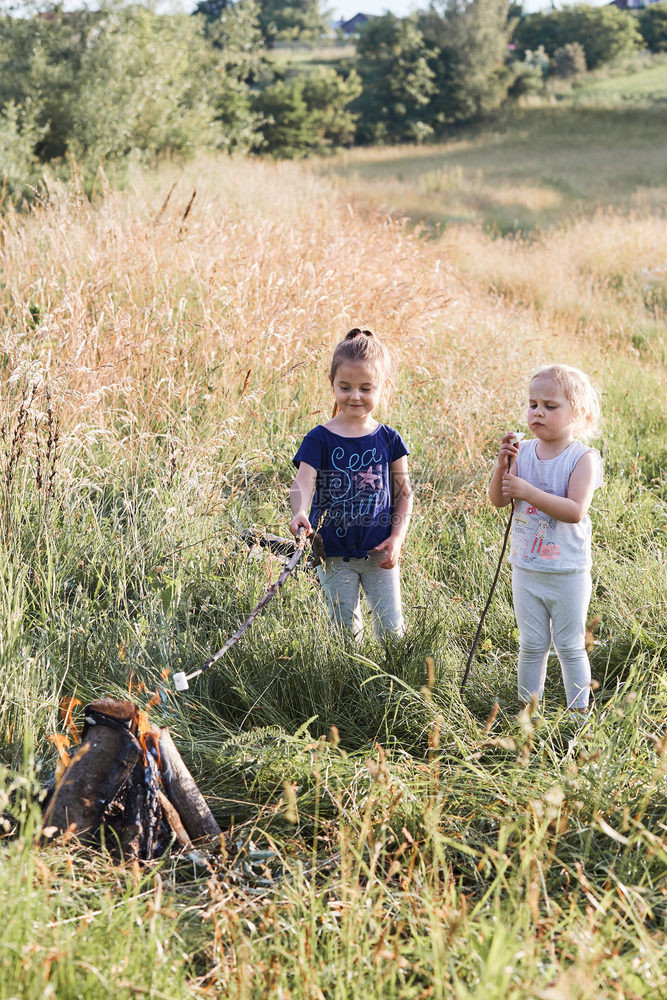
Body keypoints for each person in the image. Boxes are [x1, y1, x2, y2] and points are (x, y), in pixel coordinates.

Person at [488, 364, 603, 713]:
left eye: (550, 406)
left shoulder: (583, 458)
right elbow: (499, 499)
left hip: (567, 571)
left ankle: (579, 713)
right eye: (533, 403)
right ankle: (528, 711)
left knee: (569, 644)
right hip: (526, 568)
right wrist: (502, 466)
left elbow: (574, 510)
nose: (538, 412)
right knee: (532, 643)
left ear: (579, 414)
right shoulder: (523, 452)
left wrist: (528, 490)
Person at [289, 328, 412, 639]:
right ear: (332, 384)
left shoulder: (389, 439)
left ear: (383, 388)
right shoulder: (320, 438)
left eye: (366, 388)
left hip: (379, 552)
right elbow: (303, 481)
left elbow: (403, 494)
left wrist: (396, 538)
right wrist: (299, 511)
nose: (355, 396)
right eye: (345, 387)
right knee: (344, 632)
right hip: (331, 553)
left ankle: (393, 681)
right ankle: (349, 683)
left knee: (392, 629)